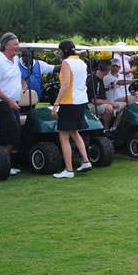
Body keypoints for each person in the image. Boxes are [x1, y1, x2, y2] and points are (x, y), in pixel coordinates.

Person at [51, 40, 91, 178]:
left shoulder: (66, 63)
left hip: (69, 102)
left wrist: (56, 104)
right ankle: (85, 161)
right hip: (81, 101)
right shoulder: (82, 63)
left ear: (63, 51)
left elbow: (66, 84)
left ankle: (68, 170)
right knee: (74, 131)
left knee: (63, 136)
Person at [0, 32, 27, 175]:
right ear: (6, 46)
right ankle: (1, 163)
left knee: (15, 133)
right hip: (2, 102)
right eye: (15, 44)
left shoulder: (15, 59)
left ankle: (4, 163)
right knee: (12, 133)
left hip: (13, 102)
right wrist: (9, 101)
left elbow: (15, 76)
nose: (18, 47)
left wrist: (23, 82)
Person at [87, 60, 124, 132]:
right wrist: (111, 102)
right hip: (93, 106)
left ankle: (114, 128)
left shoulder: (101, 78)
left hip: (102, 103)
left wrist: (107, 89)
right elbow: (94, 100)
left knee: (125, 105)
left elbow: (98, 92)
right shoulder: (93, 80)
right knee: (109, 107)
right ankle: (106, 130)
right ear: (107, 70)